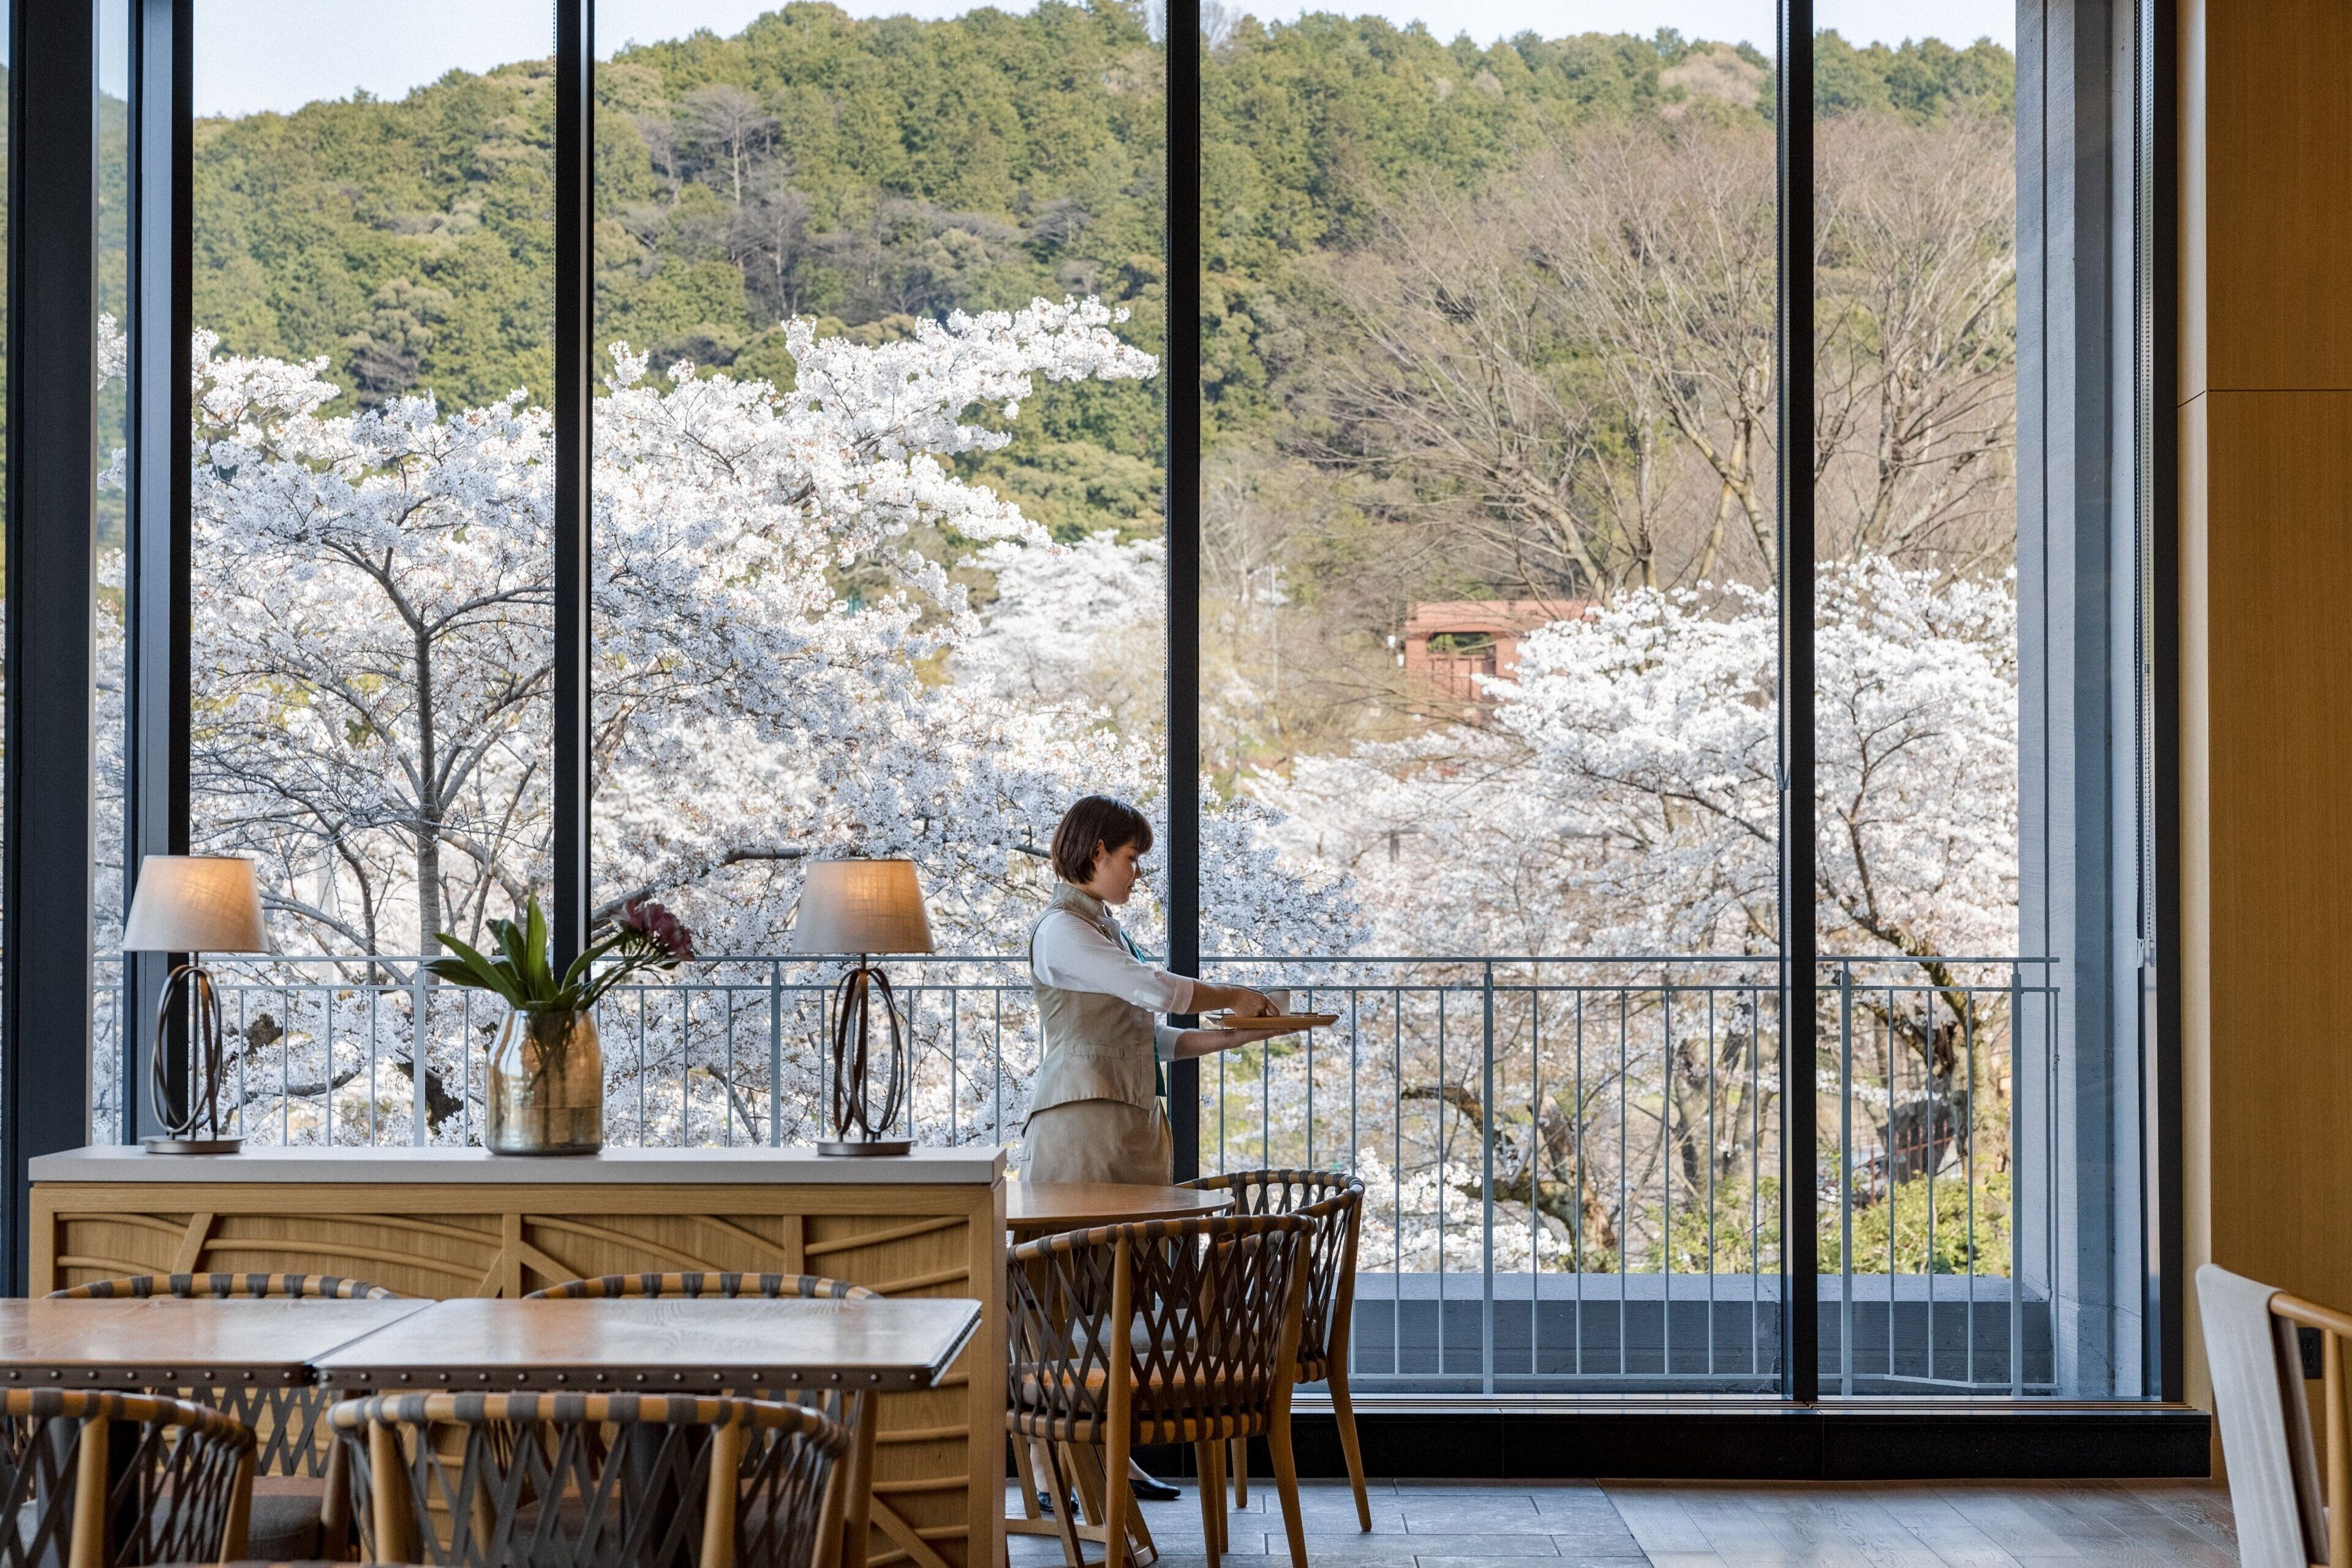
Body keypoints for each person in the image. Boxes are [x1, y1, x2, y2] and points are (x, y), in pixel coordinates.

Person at [1019, 794, 1302, 1185]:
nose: (1137, 873)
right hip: (1083, 1126)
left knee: (1132, 1246)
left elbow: (1144, 1039)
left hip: (1128, 1121)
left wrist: (1237, 1036)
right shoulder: (1061, 930)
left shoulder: (1102, 929)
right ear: (1099, 851)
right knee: (1090, 1246)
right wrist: (1231, 995)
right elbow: (1154, 990)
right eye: (1132, 858)